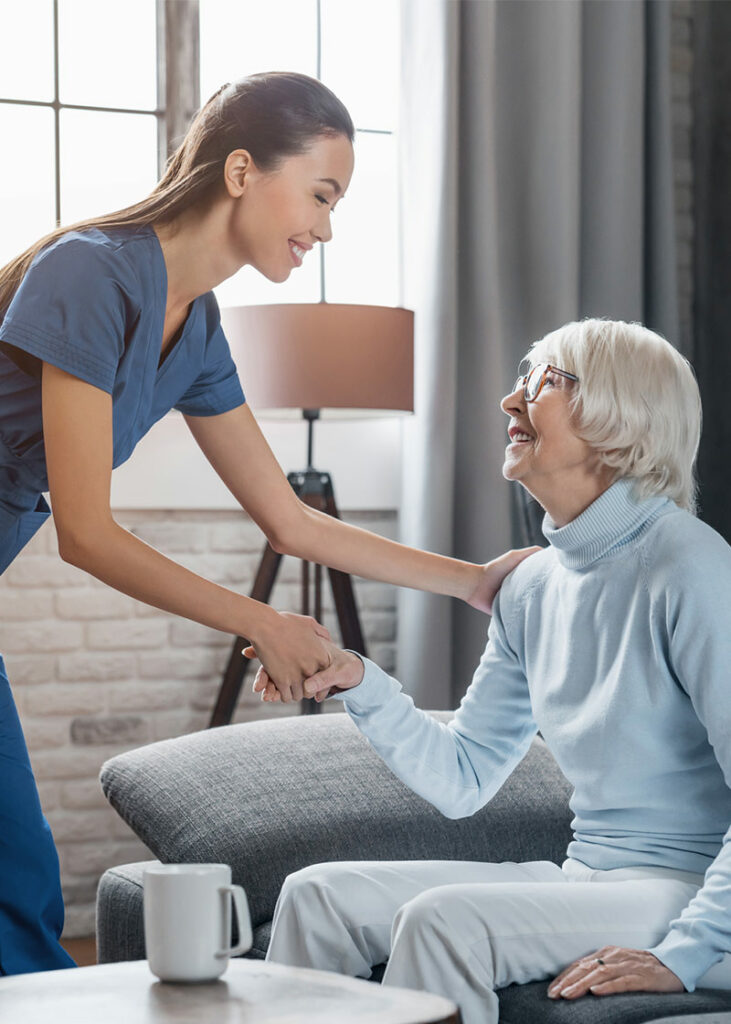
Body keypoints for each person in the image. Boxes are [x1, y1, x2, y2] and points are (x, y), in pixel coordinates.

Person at [0, 72, 533, 975]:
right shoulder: (91, 271)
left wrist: (475, 581)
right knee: (17, 888)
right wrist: (260, 621)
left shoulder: (196, 326)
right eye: (320, 194)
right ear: (242, 170)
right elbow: (85, 531)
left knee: (18, 884)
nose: (326, 227)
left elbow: (290, 521)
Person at [260, 318, 731, 1024]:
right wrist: (360, 681)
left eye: (544, 382)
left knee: (441, 920)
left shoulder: (688, 565)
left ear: (620, 414)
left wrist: (687, 951)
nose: (510, 402)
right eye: (520, 381)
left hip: (685, 886)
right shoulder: (531, 586)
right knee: (316, 893)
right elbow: (463, 777)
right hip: (588, 876)